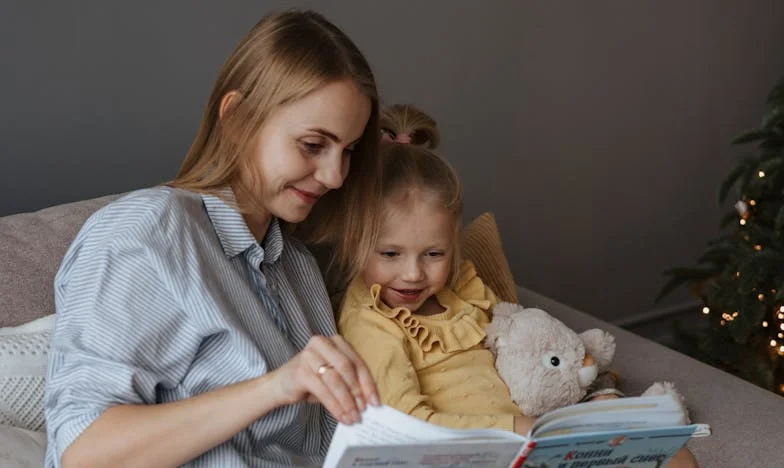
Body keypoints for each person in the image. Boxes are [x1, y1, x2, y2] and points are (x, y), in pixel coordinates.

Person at [45, 11, 381, 467]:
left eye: (348, 151)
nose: (335, 176)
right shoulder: (148, 232)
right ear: (237, 118)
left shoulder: (297, 266)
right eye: (313, 145)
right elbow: (84, 454)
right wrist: (274, 387)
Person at [335, 105, 699, 467]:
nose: (413, 273)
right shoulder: (371, 322)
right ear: (354, 241)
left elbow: (521, 345)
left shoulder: (461, 289)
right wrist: (515, 428)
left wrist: (580, 393)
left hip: (526, 437)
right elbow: (410, 428)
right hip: (467, 451)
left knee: (678, 458)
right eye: (390, 253)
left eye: (433, 253)